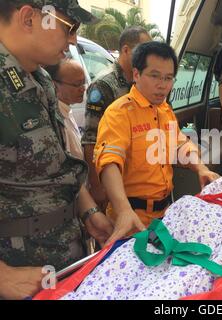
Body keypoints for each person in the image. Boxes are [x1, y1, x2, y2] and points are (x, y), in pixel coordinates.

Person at [59, 154, 222, 300]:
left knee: (162, 293)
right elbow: (199, 199)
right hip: (169, 236)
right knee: (118, 272)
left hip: (207, 250)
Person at [0, 0, 97, 300]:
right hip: (21, 275)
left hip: (64, 264)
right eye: (69, 28)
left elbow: (57, 164)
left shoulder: (40, 78)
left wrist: (90, 212)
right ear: (29, 18)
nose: (73, 40)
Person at [94, 41, 220, 244]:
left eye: (168, 78)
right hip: (131, 220)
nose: (163, 85)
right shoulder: (119, 113)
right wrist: (123, 210)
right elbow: (109, 162)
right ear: (136, 74)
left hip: (165, 214)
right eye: (154, 76)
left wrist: (201, 169)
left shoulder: (165, 110)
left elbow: (180, 146)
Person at [45, 59, 114, 249]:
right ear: (54, 84)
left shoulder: (66, 112)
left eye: (83, 83)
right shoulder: (53, 118)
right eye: (76, 84)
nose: (82, 89)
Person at [82, 26, 152, 210]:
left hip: (138, 182)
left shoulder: (141, 82)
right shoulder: (104, 85)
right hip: (113, 181)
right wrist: (97, 186)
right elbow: (90, 140)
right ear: (126, 50)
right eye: (143, 49)